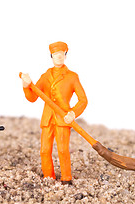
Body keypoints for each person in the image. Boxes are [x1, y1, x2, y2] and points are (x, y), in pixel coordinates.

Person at [21, 41, 87, 184]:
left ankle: (66, 178)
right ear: (51, 56)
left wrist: (73, 113)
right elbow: (32, 97)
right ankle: (48, 177)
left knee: (63, 150)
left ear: (65, 55)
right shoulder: (46, 76)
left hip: (63, 119)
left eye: (62, 54)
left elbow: (83, 100)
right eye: (56, 55)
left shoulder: (72, 76)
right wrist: (26, 86)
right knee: (45, 150)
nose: (59, 57)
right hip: (47, 119)